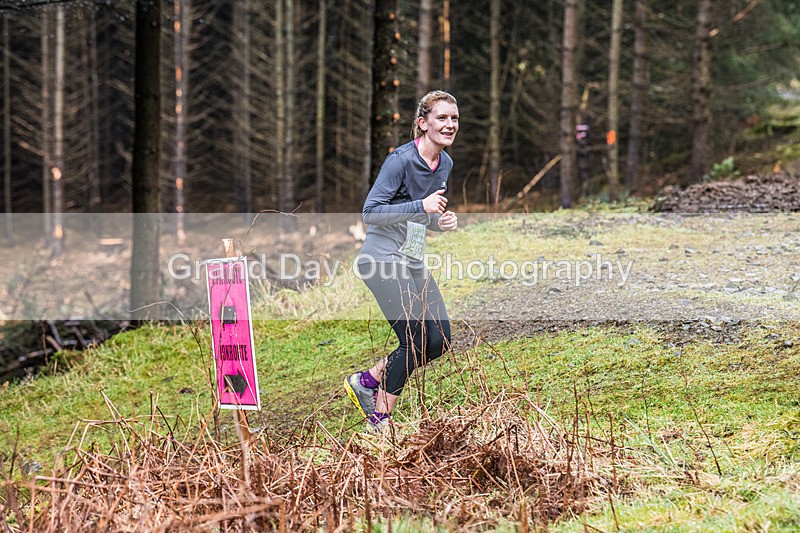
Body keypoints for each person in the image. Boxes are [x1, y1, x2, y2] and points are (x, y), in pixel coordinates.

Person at [344, 90, 460, 434]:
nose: (450, 125)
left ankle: (367, 379)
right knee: (413, 340)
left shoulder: (446, 163)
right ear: (422, 124)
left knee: (439, 340)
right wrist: (422, 207)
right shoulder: (400, 160)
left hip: (410, 258)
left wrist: (439, 221)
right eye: (442, 118)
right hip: (380, 259)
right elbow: (371, 212)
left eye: (454, 119)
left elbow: (421, 216)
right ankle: (379, 420)